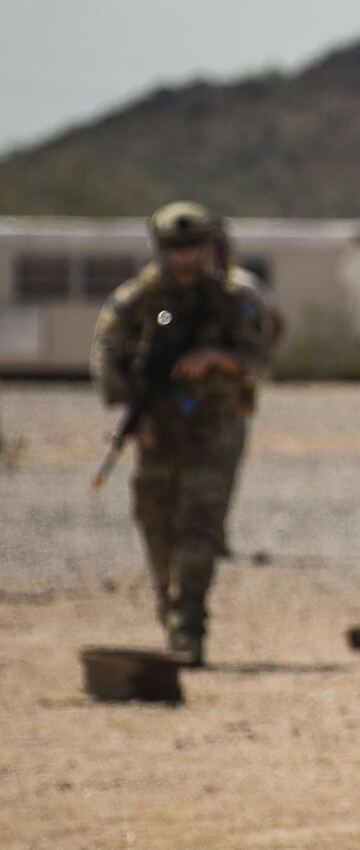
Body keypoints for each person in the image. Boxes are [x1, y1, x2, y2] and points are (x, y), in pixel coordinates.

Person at [89, 202, 266, 665]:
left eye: (192, 247)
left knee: (199, 528)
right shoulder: (138, 301)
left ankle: (188, 626)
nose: (184, 258)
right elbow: (107, 354)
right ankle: (169, 608)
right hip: (157, 431)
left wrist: (214, 357)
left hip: (213, 429)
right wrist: (133, 409)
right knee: (156, 524)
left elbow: (256, 361)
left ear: (207, 246)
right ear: (159, 248)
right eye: (174, 248)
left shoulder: (231, 299)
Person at [208, 217, 284, 560]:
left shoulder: (243, 287)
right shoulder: (169, 290)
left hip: (229, 397)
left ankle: (212, 536)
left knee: (222, 470)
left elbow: (274, 322)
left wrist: (254, 361)